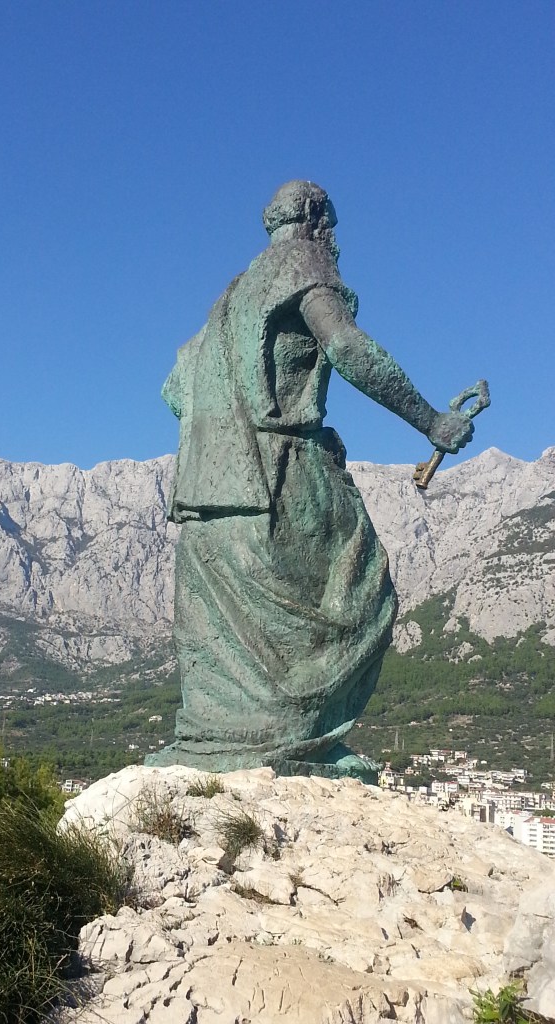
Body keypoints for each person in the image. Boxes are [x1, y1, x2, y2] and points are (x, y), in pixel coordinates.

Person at [147, 181, 474, 776]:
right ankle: (300, 741)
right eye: (334, 228)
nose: (335, 242)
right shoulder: (306, 261)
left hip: (206, 492)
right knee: (364, 589)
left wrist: (233, 409)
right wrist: (431, 421)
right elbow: (347, 346)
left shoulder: (231, 297)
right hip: (282, 474)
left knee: (235, 639)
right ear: (318, 223)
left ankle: (231, 743)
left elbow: (174, 391)